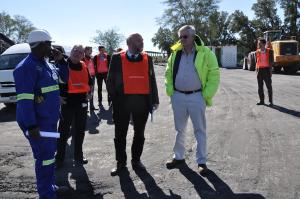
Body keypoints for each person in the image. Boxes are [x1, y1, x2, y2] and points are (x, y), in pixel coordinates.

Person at [13, 29, 63, 198]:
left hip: (50, 120)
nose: (52, 47)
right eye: (49, 44)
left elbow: (60, 81)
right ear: (41, 45)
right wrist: (31, 125)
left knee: (50, 155)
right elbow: (25, 101)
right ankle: (46, 193)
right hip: (37, 123)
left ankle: (50, 186)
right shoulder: (26, 68)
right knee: (44, 157)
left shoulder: (47, 64)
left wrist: (59, 60)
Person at [165, 25, 220, 175]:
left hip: (197, 96)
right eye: (180, 37)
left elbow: (214, 74)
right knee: (179, 129)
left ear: (193, 36)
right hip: (178, 96)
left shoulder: (206, 53)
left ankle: (201, 162)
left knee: (200, 130)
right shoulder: (175, 53)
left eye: (185, 36)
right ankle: (179, 157)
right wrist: (171, 92)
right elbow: (168, 73)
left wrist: (206, 94)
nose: (182, 39)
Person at [107, 33, 159, 176]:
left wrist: (155, 99)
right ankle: (121, 163)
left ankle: (136, 160)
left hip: (141, 102)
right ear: (129, 43)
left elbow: (152, 79)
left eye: (142, 40)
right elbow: (110, 79)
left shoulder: (147, 58)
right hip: (122, 103)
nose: (141, 42)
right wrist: (114, 98)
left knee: (139, 134)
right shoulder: (117, 57)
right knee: (120, 135)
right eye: (138, 40)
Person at [55, 45, 92, 169]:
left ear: (83, 55)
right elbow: (53, 82)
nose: (77, 53)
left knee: (80, 132)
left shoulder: (84, 65)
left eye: (80, 52)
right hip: (67, 104)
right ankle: (59, 158)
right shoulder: (62, 64)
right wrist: (57, 97)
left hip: (82, 104)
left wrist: (90, 93)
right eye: (75, 51)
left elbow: (90, 82)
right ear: (71, 52)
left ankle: (79, 156)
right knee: (63, 133)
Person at [255, 38, 273, 107]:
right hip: (259, 70)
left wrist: (270, 71)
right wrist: (256, 70)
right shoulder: (257, 52)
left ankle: (270, 102)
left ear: (264, 44)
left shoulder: (270, 51)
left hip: (266, 70)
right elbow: (257, 61)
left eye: (260, 43)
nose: (258, 44)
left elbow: (271, 62)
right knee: (260, 87)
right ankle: (261, 101)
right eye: (258, 43)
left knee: (269, 87)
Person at [83, 46, 97, 110]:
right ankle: (85, 107)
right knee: (85, 92)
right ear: (85, 51)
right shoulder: (82, 58)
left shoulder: (92, 58)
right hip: (85, 77)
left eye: (91, 50)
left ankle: (91, 106)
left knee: (91, 92)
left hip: (92, 76)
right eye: (90, 50)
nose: (91, 51)